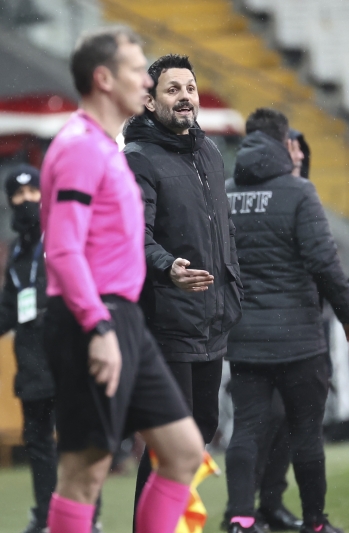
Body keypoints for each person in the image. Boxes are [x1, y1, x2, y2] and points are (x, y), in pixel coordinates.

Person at [40, 26, 204, 533]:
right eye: (137, 70)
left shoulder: (107, 147)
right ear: (104, 79)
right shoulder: (79, 149)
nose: (146, 81)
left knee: (184, 452)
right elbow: (61, 249)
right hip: (92, 319)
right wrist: (98, 325)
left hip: (125, 318)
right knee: (85, 474)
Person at [224, 107, 349, 533]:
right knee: (305, 431)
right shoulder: (298, 192)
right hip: (298, 336)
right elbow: (323, 261)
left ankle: (241, 518)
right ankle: (315, 522)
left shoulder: (224, 192)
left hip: (244, 334)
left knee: (246, 428)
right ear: (283, 142)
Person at [122, 53, 242, 522]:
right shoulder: (138, 159)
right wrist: (167, 267)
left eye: (190, 88)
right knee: (173, 441)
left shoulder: (209, 151)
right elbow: (133, 236)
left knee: (201, 430)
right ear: (150, 102)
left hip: (211, 317)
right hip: (166, 317)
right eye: (173, 89)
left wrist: (233, 283)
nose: (185, 97)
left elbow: (223, 228)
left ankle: (169, 522)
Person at [0, 165, 103, 533]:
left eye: (33, 192)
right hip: (31, 362)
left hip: (68, 352)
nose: (26, 200)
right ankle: (46, 517)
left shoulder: (64, 236)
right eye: (18, 194)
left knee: (79, 437)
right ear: (9, 200)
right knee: (39, 442)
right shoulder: (16, 251)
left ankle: (88, 516)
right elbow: (8, 310)